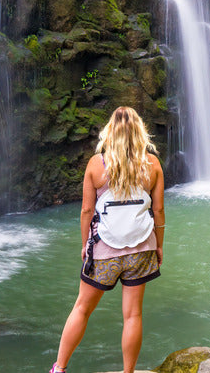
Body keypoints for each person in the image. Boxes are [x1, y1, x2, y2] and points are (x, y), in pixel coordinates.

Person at [51, 106, 165, 373]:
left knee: (81, 308)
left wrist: (84, 245)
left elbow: (86, 211)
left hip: (104, 250)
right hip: (141, 250)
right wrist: (159, 245)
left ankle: (59, 368)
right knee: (133, 314)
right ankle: (127, 372)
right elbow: (158, 211)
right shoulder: (152, 165)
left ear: (110, 132)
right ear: (139, 131)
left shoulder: (96, 165)